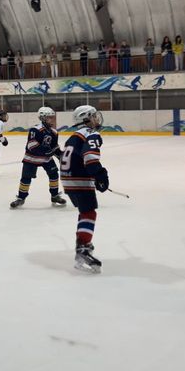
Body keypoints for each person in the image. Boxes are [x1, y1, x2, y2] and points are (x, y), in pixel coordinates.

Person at [60, 105, 109, 273]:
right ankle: (83, 248)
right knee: (89, 212)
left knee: (85, 211)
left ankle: (82, 242)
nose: (96, 119)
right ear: (86, 119)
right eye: (93, 116)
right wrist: (100, 174)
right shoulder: (91, 133)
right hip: (79, 178)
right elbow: (90, 156)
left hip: (67, 178)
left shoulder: (74, 136)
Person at [9, 107, 67, 209]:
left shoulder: (54, 132)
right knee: (26, 178)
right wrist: (45, 151)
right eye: (50, 117)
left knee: (54, 175)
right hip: (31, 158)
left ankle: (54, 196)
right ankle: (21, 198)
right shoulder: (35, 129)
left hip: (46, 159)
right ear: (43, 118)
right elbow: (31, 145)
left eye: (52, 117)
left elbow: (54, 147)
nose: (52, 119)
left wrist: (61, 156)